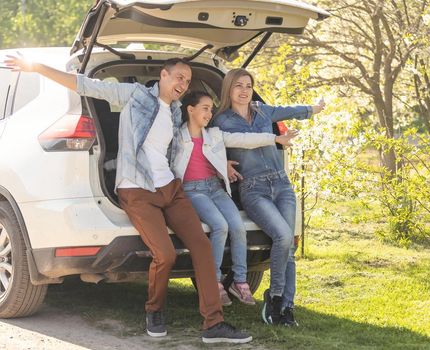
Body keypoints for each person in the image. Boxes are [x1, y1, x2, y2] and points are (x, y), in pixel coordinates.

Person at [3, 54, 251, 344]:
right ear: (163, 75)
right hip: (136, 189)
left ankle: (214, 324)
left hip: (170, 188)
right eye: (178, 77)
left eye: (187, 80)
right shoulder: (134, 96)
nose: (183, 84)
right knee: (166, 255)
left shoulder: (175, 111)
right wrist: (37, 66)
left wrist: (221, 165)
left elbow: (189, 148)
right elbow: (84, 85)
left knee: (202, 246)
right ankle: (154, 311)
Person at [212, 68, 325, 326]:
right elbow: (205, 147)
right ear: (228, 88)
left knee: (289, 251)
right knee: (283, 236)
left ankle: (286, 307)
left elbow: (289, 109)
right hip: (253, 189)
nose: (243, 90)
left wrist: (313, 109)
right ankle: (274, 299)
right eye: (238, 85)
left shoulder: (263, 110)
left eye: (248, 86)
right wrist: (223, 164)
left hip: (281, 184)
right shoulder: (220, 121)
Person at [174, 91, 298, 306]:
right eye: (205, 108)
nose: (210, 113)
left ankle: (239, 282)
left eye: (211, 109)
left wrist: (274, 138)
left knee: (238, 227)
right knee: (220, 226)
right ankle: (214, 281)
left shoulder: (214, 134)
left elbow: (243, 139)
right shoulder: (177, 137)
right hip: (192, 190)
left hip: (215, 188)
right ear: (190, 110)